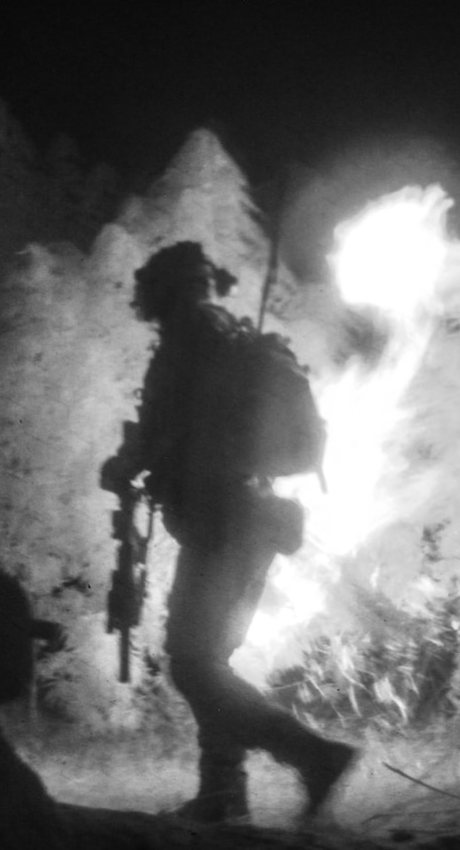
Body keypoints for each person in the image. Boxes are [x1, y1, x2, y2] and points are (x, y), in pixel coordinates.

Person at [101, 241, 357, 824]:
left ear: (164, 295)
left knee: (192, 662)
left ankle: (314, 757)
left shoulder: (187, 346)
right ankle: (223, 793)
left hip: (222, 522)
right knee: (210, 658)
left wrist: (121, 466)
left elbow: (157, 435)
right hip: (250, 516)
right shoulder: (232, 339)